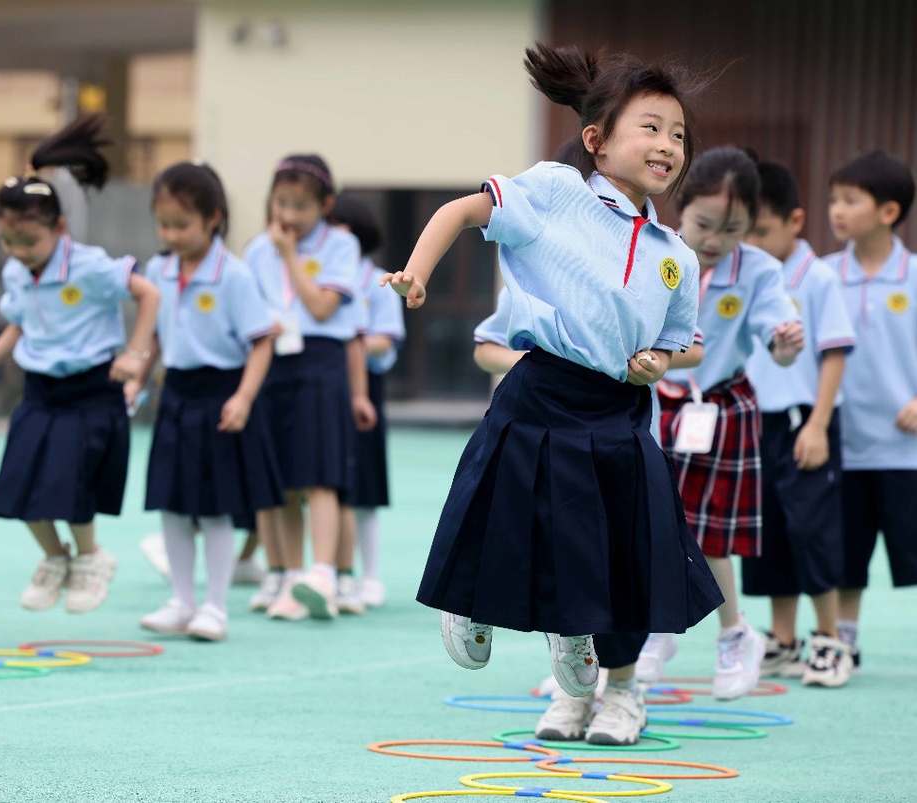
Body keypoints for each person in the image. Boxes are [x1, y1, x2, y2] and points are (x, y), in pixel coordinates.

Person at [381, 42, 723, 746]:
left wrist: (660, 358)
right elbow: (461, 211)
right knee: (500, 500)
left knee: (620, 554)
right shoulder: (555, 192)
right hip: (542, 388)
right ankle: (469, 604)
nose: (668, 145)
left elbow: (689, 341)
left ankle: (615, 687)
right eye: (651, 128)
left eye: (679, 134)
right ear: (596, 142)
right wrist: (416, 274)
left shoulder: (674, 255)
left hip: (620, 411)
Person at [0, 115, 160, 614]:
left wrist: (135, 353)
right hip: (40, 391)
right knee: (18, 485)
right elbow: (20, 324)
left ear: (60, 229)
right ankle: (57, 558)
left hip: (90, 390)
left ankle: (91, 558)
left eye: (28, 242)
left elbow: (148, 293)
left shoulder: (88, 266)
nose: (18, 252)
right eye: (8, 241)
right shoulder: (17, 272)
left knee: (70, 480)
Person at [640, 146, 805, 699]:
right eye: (704, 224)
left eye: (732, 230)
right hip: (656, 401)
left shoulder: (758, 270)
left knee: (707, 534)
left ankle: (734, 634)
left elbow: (778, 340)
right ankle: (657, 631)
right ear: (680, 207)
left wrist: (786, 343)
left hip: (721, 407)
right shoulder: (653, 249)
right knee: (650, 524)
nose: (714, 240)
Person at [135, 162, 281, 641]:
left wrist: (243, 398)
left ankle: (214, 608)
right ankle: (182, 600)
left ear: (213, 218)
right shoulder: (157, 270)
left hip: (221, 395)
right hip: (176, 393)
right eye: (164, 224)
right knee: (172, 505)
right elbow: (155, 336)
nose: (172, 234)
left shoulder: (233, 276)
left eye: (183, 224)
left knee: (215, 507)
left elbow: (261, 342)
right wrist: (137, 374)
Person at [243, 154, 375, 621]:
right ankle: (291, 577)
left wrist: (289, 256)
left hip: (321, 363)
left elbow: (320, 308)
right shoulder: (258, 249)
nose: (290, 215)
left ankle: (322, 573)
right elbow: (251, 312)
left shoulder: (340, 245)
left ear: (325, 204)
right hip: (273, 363)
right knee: (282, 481)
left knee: (320, 474)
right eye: (282, 203)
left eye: (300, 206)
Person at [742, 159, 857, 687]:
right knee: (767, 535)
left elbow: (834, 354)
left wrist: (817, 424)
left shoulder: (819, 279)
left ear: (794, 221)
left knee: (813, 530)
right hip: (754, 426)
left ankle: (830, 639)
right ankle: (783, 640)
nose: (753, 242)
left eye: (762, 231)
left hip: (804, 424)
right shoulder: (746, 276)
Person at [825, 150, 917, 674]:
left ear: (887, 211)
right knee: (846, 556)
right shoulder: (821, 274)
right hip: (845, 443)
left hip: (906, 450)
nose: (836, 210)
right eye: (834, 199)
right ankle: (844, 640)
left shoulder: (914, 277)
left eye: (849, 200)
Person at [329, 193, 405, 610]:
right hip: (322, 388)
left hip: (363, 393)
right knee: (328, 485)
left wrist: (349, 344)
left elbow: (384, 339)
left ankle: (370, 576)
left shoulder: (375, 280)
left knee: (366, 489)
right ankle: (332, 575)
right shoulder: (318, 274)